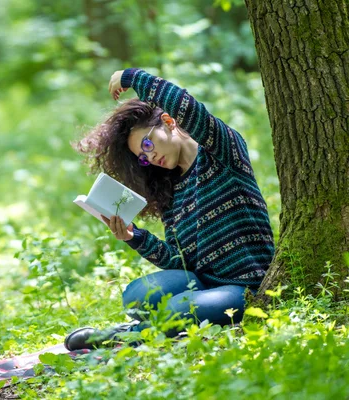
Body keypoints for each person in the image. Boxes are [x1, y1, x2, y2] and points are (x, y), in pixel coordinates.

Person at [65, 68, 275, 351]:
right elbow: (180, 263)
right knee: (136, 295)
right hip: (202, 284)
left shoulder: (222, 152)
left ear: (169, 122)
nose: (150, 157)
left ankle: (120, 335)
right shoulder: (171, 188)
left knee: (177, 307)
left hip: (245, 287)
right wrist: (134, 237)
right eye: (143, 157)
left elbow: (188, 106)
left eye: (148, 144)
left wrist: (132, 77)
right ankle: (146, 327)